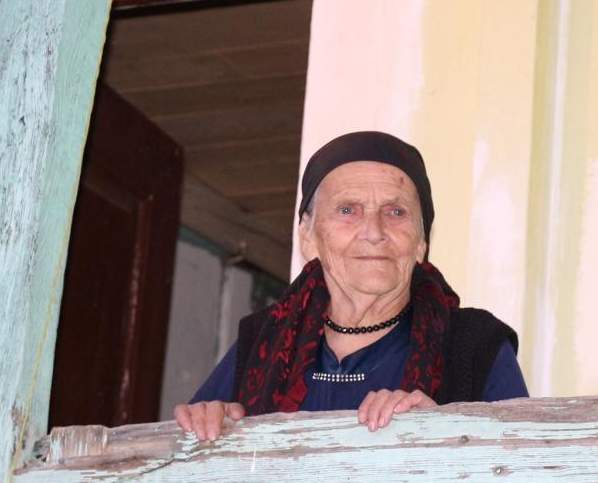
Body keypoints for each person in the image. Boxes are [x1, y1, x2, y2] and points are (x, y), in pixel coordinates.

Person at [175, 131, 527, 440]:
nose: (373, 232)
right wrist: (208, 428)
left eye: (396, 212)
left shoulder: (474, 346)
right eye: (347, 210)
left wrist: (444, 435)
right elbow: (180, 470)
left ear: (421, 242)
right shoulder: (259, 343)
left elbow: (525, 469)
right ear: (308, 236)